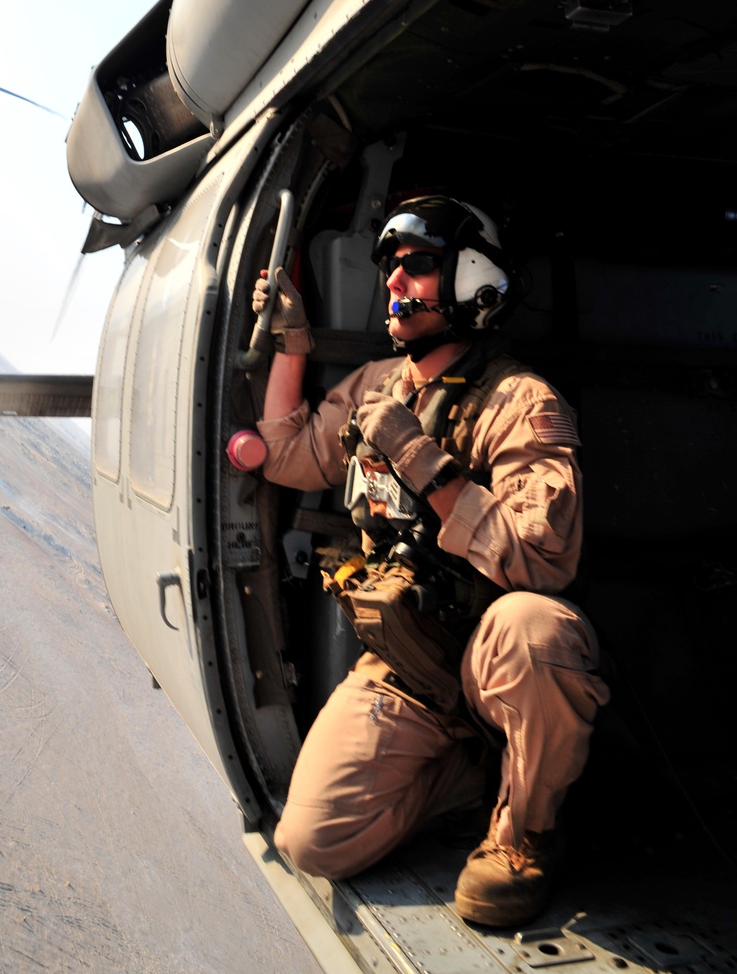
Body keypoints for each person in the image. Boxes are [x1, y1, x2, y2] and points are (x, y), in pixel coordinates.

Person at [251, 195, 609, 927]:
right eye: (390, 269)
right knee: (309, 840)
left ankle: (527, 832)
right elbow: (287, 453)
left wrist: (421, 459)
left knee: (536, 630)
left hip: (489, 655)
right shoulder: (379, 386)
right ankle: (477, 771)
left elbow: (541, 560)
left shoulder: (519, 402)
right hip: (407, 666)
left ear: (473, 279)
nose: (396, 283)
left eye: (417, 266)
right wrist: (292, 344)